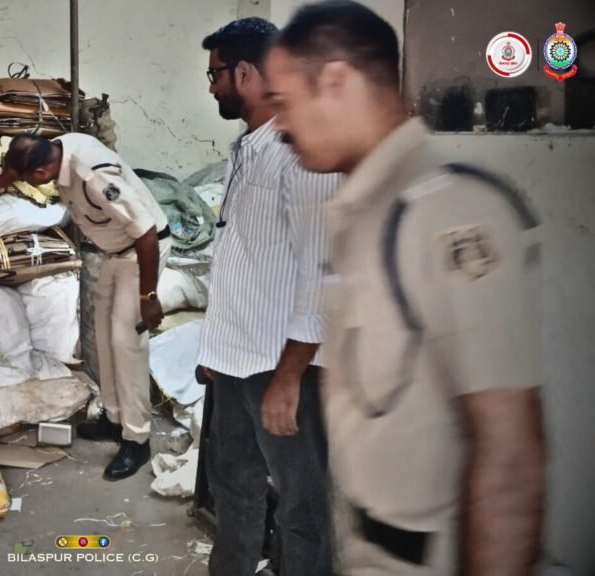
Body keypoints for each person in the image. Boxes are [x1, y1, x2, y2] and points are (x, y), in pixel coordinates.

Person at [263, 2, 547, 575]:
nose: (281, 126)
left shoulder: (446, 212)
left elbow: (509, 456)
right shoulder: (366, 209)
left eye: (284, 101)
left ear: (335, 81)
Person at [197, 17, 342, 576]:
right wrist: (212, 350)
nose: (212, 87)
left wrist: (288, 378)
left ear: (246, 73)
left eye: (215, 74)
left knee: (301, 505)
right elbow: (239, 256)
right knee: (233, 484)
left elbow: (324, 278)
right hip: (235, 359)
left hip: (282, 365)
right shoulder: (248, 147)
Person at [0, 133, 171, 480]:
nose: (25, 184)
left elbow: (146, 234)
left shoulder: (95, 176)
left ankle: (137, 439)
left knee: (126, 342)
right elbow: (19, 163)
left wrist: (148, 297)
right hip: (114, 252)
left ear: (42, 173)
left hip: (142, 252)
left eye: (28, 180)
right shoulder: (54, 147)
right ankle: (114, 419)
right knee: (103, 338)